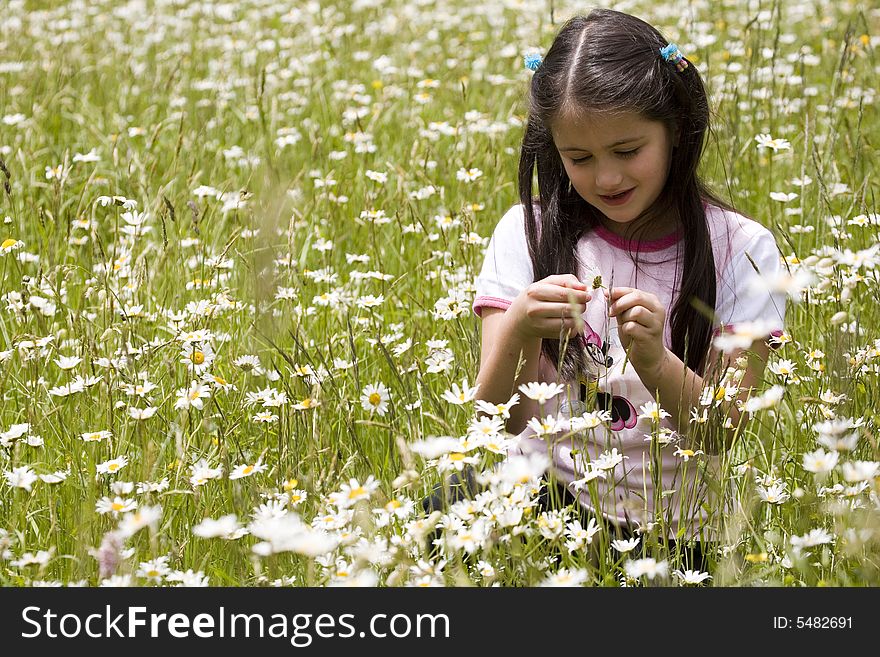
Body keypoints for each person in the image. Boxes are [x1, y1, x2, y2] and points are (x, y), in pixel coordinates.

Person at [470, 8, 787, 565]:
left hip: (678, 531)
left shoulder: (743, 249)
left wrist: (655, 362)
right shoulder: (529, 230)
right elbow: (493, 422)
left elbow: (722, 436)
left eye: (627, 151)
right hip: (544, 505)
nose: (607, 178)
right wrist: (519, 327)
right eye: (580, 158)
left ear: (676, 131)